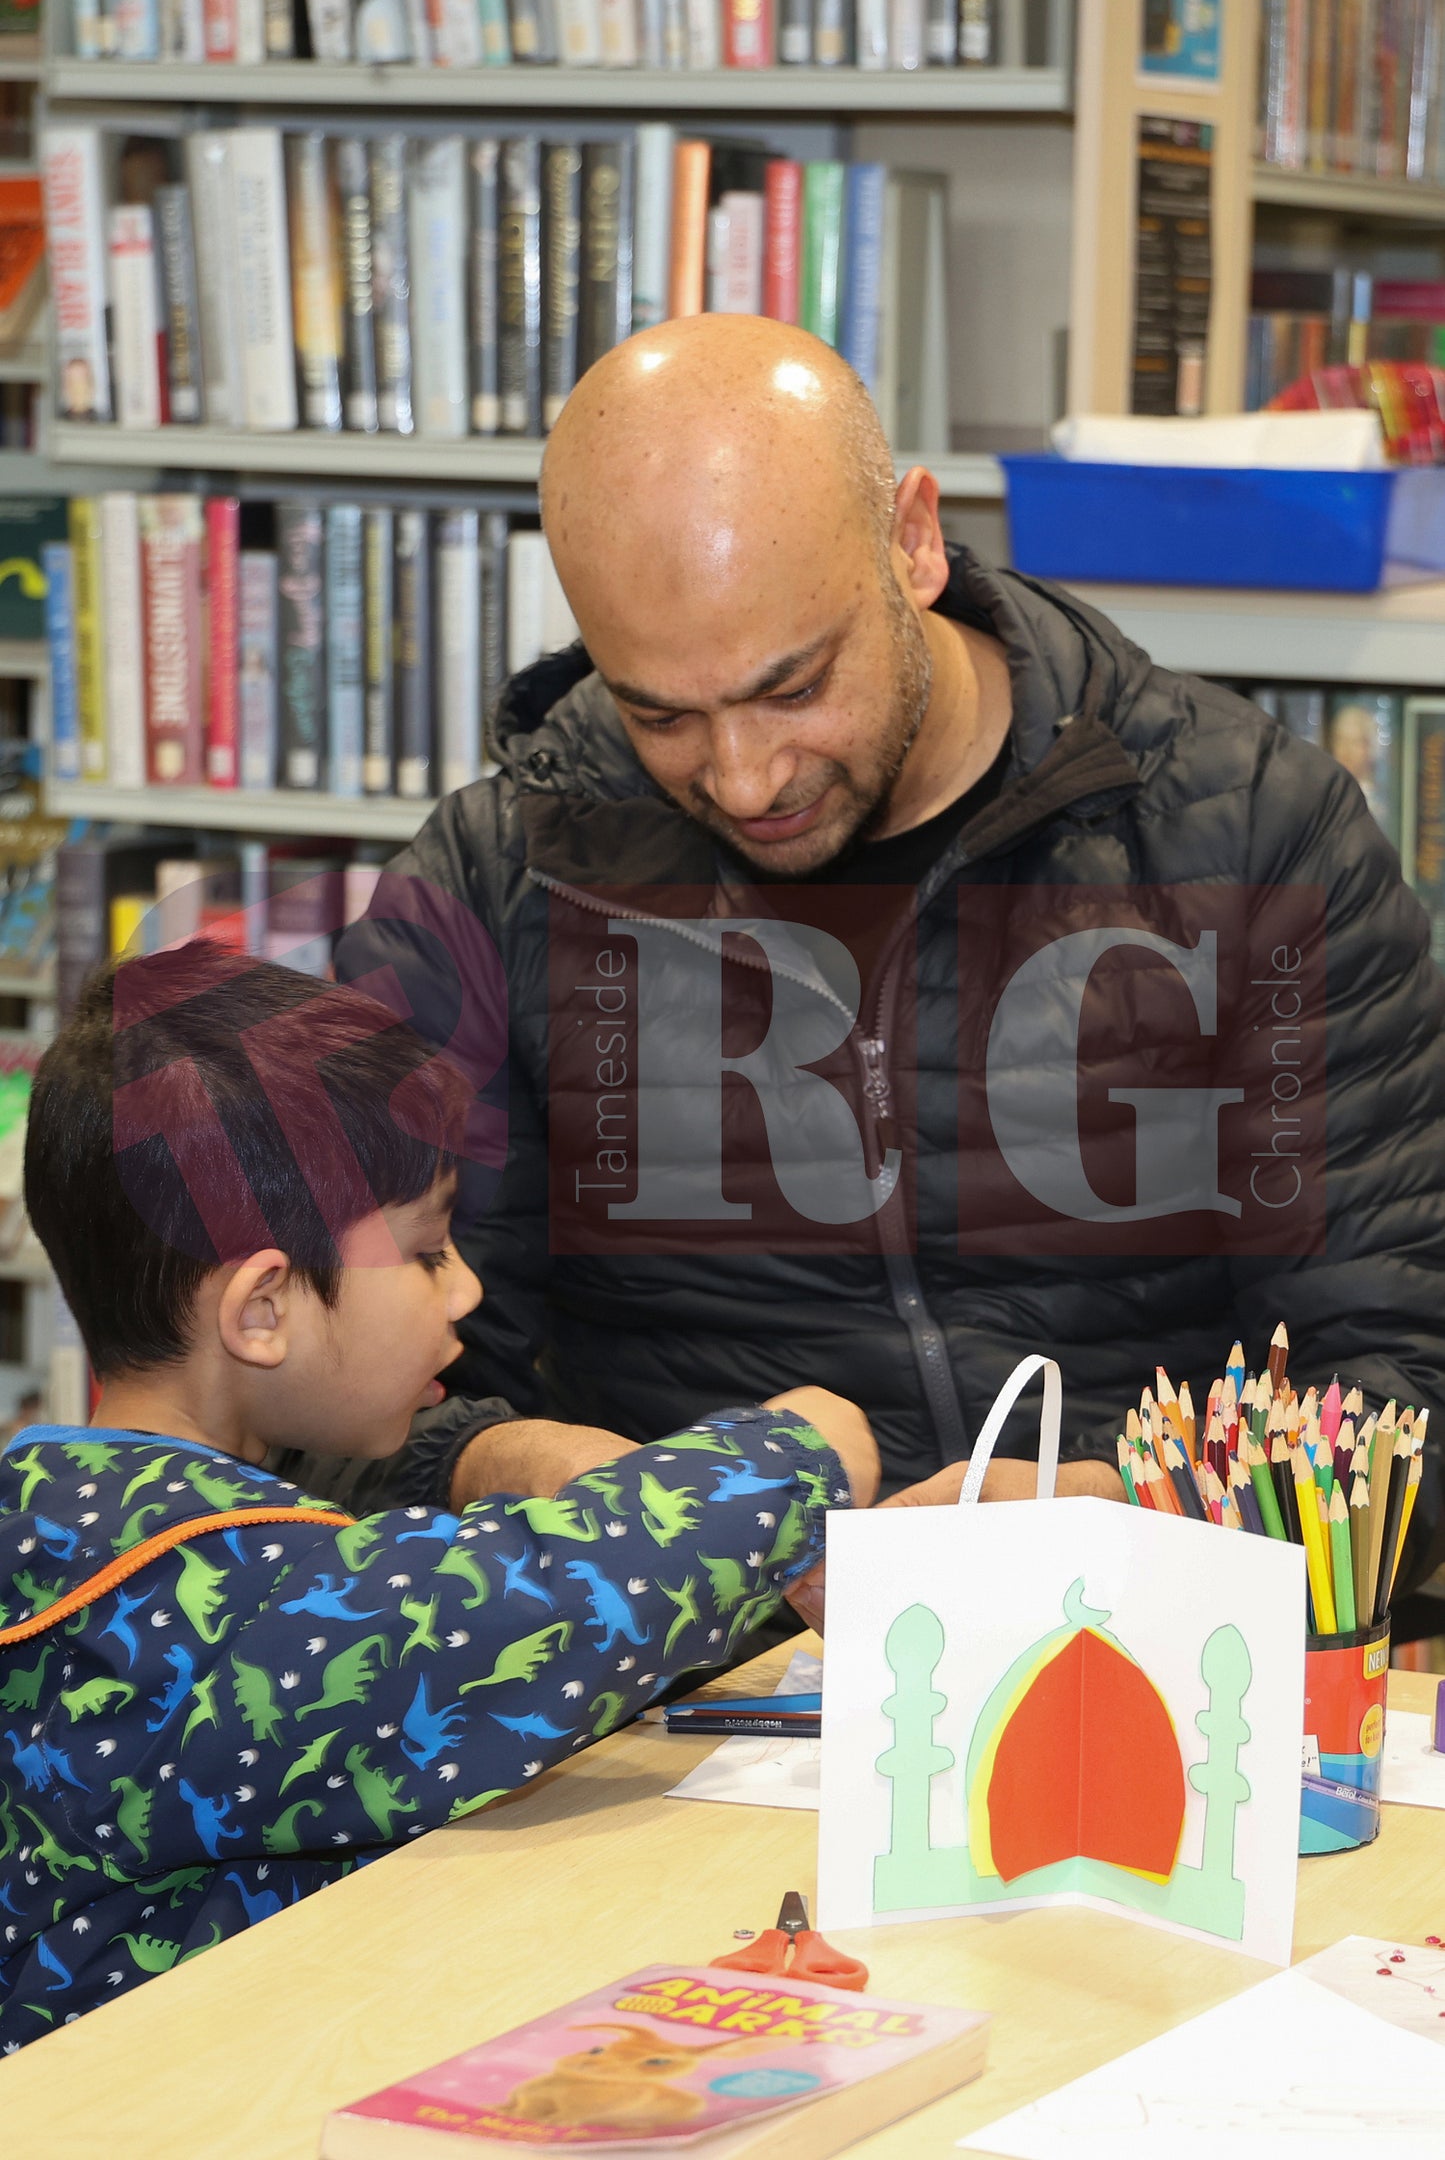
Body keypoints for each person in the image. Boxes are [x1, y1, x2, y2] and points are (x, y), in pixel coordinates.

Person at [332, 312, 1445, 1597]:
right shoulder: (495, 884)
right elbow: (304, 1393)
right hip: (672, 1699)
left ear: (912, 539)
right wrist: (510, 1466)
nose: (744, 777)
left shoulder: (1249, 833)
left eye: (792, 686)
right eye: (662, 714)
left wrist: (1130, 1506)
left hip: (1139, 1663)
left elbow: (1404, 1409)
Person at [0, 942, 875, 2049]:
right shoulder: (172, 1584)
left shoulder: (71, 1508)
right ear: (260, 1308)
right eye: (425, 1251)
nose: (464, 1287)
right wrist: (801, 1450)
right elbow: (509, 1613)